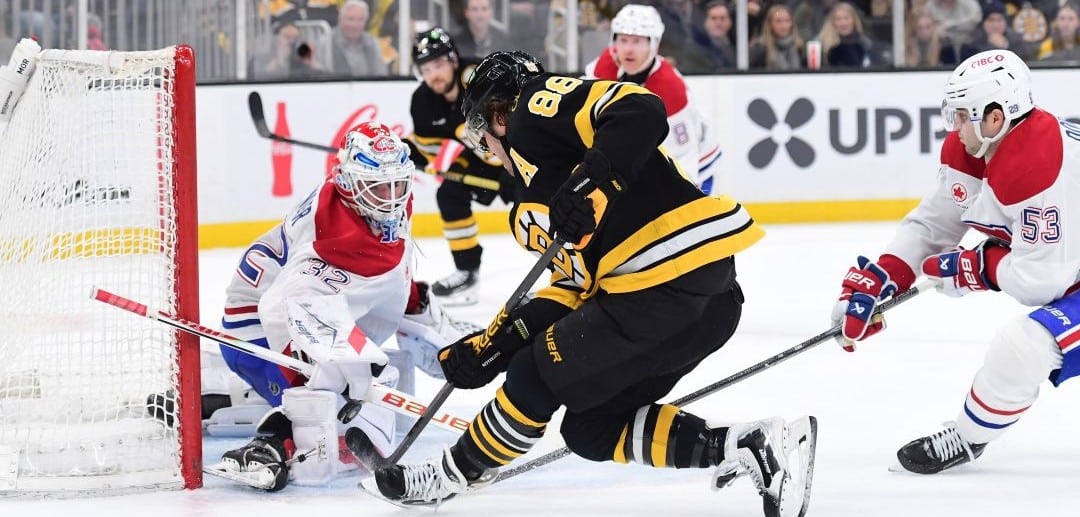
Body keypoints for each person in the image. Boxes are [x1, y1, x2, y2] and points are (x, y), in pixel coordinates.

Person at [364, 51, 817, 517]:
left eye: (483, 135)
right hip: (699, 302)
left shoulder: (536, 105)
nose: (488, 151)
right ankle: (750, 446)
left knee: (536, 374)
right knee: (591, 429)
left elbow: (640, 109)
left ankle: (450, 475)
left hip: (663, 269)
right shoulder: (526, 205)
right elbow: (572, 292)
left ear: (496, 116)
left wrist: (592, 183)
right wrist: (494, 343)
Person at [831, 49, 1080, 475]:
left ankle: (966, 438)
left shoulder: (1040, 162)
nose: (955, 126)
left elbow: (1042, 280)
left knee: (1024, 345)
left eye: (964, 115)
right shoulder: (977, 146)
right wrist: (886, 277)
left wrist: (979, 268)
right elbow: (934, 222)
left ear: (996, 117)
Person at [209, 122, 480, 491]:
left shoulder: (377, 203)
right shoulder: (331, 238)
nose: (391, 197)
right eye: (379, 186)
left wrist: (418, 311)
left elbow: (391, 267)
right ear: (349, 183)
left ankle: (242, 394)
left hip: (310, 308)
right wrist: (313, 380)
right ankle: (269, 441)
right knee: (327, 404)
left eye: (398, 183)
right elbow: (279, 309)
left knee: (348, 388)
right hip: (256, 327)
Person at [404, 27, 516, 306]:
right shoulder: (423, 102)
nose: (434, 74)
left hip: (518, 154)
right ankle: (467, 271)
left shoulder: (480, 79)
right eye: (426, 68)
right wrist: (408, 152)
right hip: (481, 160)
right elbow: (430, 150)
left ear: (453, 60)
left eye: (439, 64)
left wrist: (515, 167)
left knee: (538, 207)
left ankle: (566, 269)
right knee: (450, 194)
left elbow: (518, 122)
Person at [582, 4, 723, 195]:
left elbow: (683, 155)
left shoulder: (669, 88)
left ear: (653, 44)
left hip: (697, 160)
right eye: (623, 40)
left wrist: (683, 197)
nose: (628, 50)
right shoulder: (603, 68)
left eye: (637, 41)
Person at [331, 0, 388, 77]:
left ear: (365, 22)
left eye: (360, 19)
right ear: (340, 19)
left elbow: (380, 75)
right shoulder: (327, 43)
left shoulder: (372, 43)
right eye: (350, 19)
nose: (355, 25)